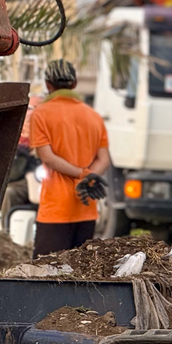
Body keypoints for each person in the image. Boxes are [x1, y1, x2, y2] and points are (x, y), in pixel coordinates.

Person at [29, 59, 112, 257]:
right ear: (74, 84)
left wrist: (82, 173)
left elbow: (48, 158)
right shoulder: (94, 116)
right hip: (87, 210)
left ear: (48, 85)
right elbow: (104, 159)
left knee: (47, 273)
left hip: (55, 212)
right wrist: (88, 177)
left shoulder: (40, 114)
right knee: (79, 275)